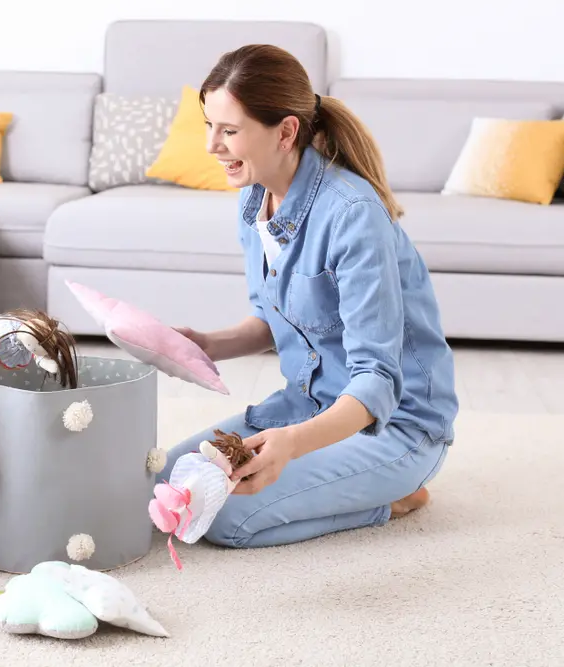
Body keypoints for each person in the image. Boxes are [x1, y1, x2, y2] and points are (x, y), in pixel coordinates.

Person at [157, 44, 459, 549]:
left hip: (395, 426)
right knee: (173, 477)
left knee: (227, 518)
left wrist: (290, 445)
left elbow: (377, 382)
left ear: (286, 131)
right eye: (209, 125)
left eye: (229, 131)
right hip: (310, 405)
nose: (212, 145)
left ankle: (397, 496)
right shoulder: (255, 199)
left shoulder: (352, 215)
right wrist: (204, 343)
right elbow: (276, 319)